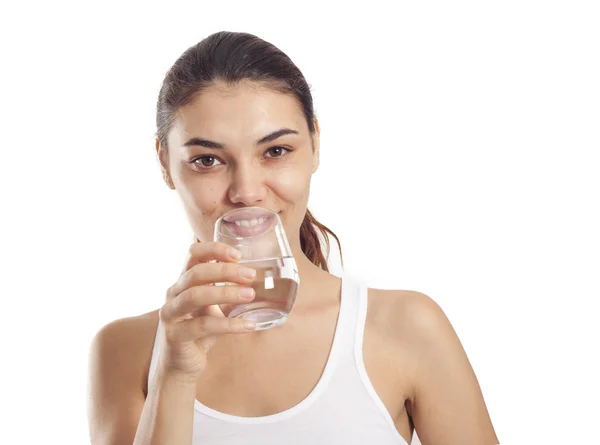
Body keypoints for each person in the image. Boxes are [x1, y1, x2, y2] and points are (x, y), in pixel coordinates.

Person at [87, 31, 499, 445]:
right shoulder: (126, 351)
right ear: (164, 163)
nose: (246, 191)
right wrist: (174, 376)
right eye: (208, 160)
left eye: (276, 151)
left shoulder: (406, 327)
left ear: (315, 145)